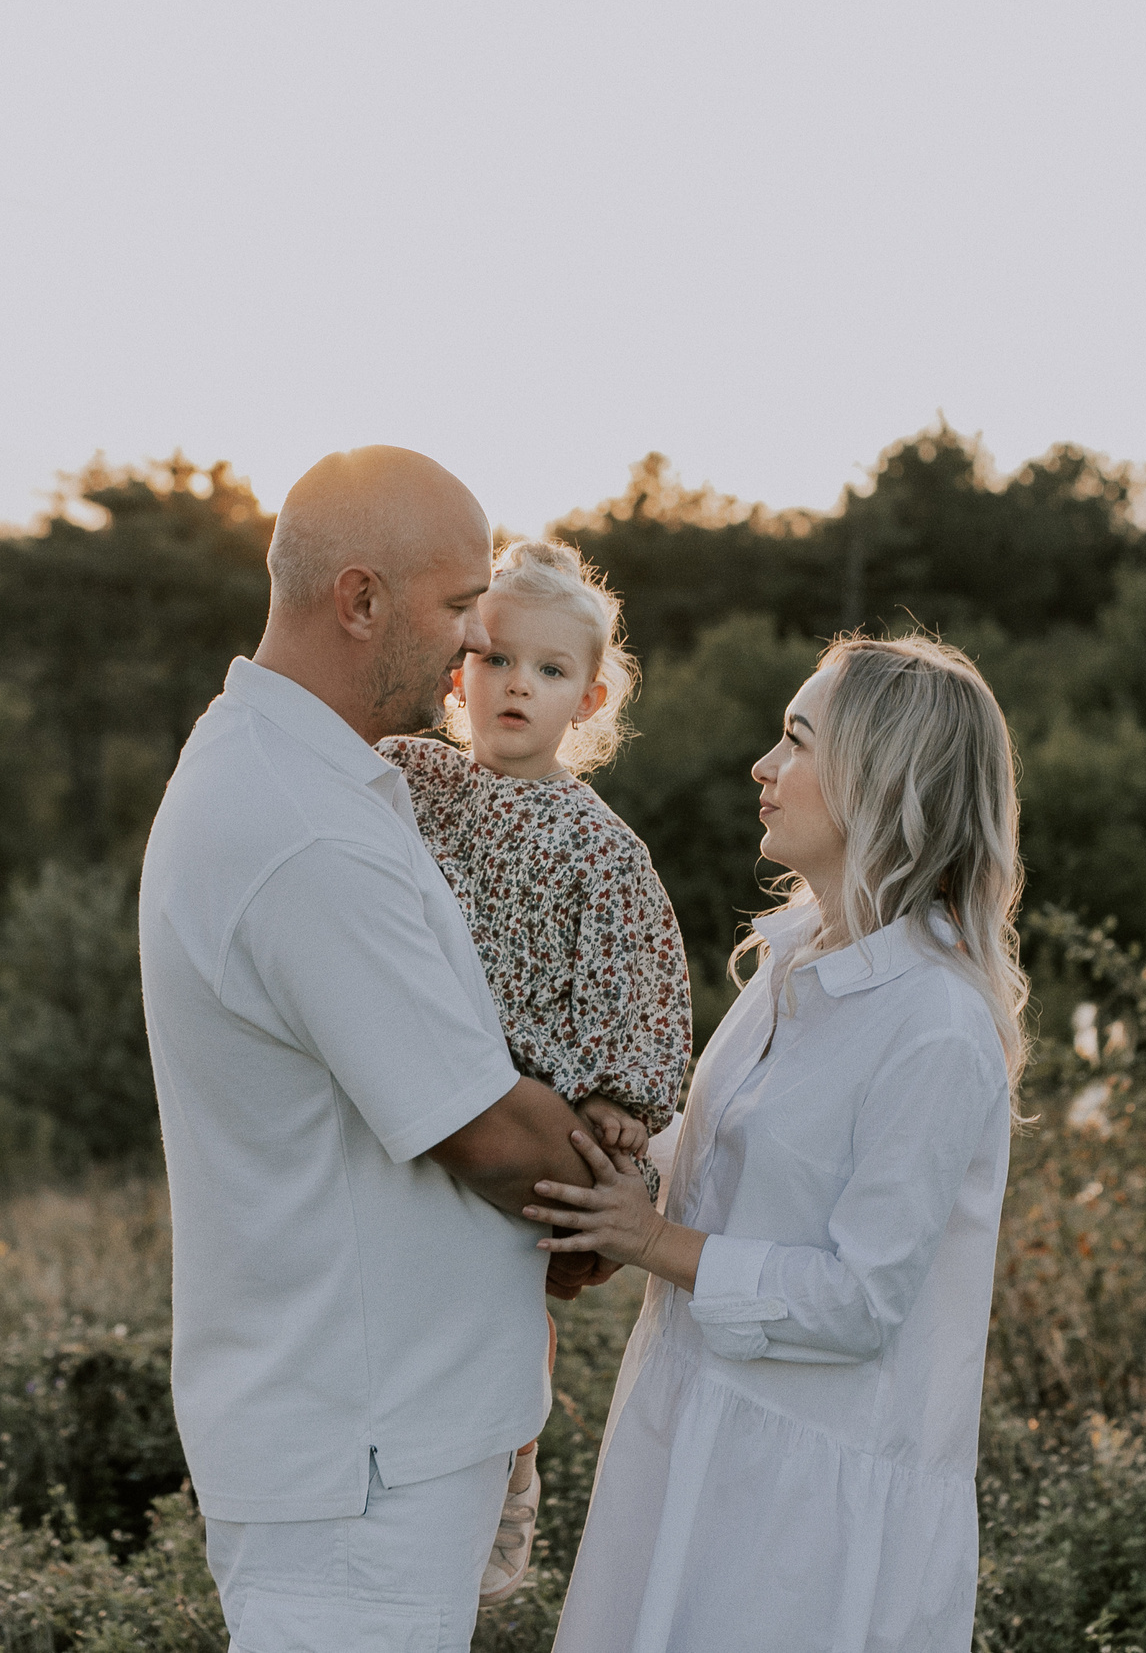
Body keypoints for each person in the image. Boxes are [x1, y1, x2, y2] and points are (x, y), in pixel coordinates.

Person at [138, 446, 613, 1653]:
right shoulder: (301, 830)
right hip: (357, 1459)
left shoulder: (312, 778)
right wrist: (625, 1204)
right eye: (459, 606)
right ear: (358, 600)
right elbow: (489, 1131)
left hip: (380, 1436)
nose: (476, 643)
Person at [534, 635, 1028, 1653]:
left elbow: (859, 1301)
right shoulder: (792, 956)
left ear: (878, 779)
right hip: (687, 1437)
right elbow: (729, 1169)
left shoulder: (935, 1022)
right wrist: (622, 1144)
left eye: (796, 741)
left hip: (807, 1517)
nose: (763, 767)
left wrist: (646, 1241)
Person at [375, 537, 693, 1605]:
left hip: (529, 1108)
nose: (518, 685)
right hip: (419, 1093)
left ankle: (508, 1466)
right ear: (459, 669)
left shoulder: (598, 847)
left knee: (504, 1308)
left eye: (551, 672)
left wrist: (613, 1107)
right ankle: (395, 1471)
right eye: (497, 659)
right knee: (407, 1294)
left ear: (589, 696)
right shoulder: (415, 782)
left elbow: (638, 996)